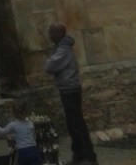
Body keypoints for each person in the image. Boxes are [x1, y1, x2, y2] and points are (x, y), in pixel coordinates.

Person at [44, 23, 98, 165]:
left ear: (60, 34)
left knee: (76, 123)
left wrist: (49, 62)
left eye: (52, 32)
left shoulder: (63, 49)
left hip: (70, 89)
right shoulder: (60, 48)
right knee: (73, 123)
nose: (50, 35)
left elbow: (50, 66)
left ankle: (88, 156)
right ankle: (79, 154)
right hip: (66, 89)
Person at [0, 101, 41, 165]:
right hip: (34, 150)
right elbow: (33, 137)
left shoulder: (13, 125)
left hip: (23, 151)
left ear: (14, 113)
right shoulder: (30, 123)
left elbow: (1, 132)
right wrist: (15, 136)